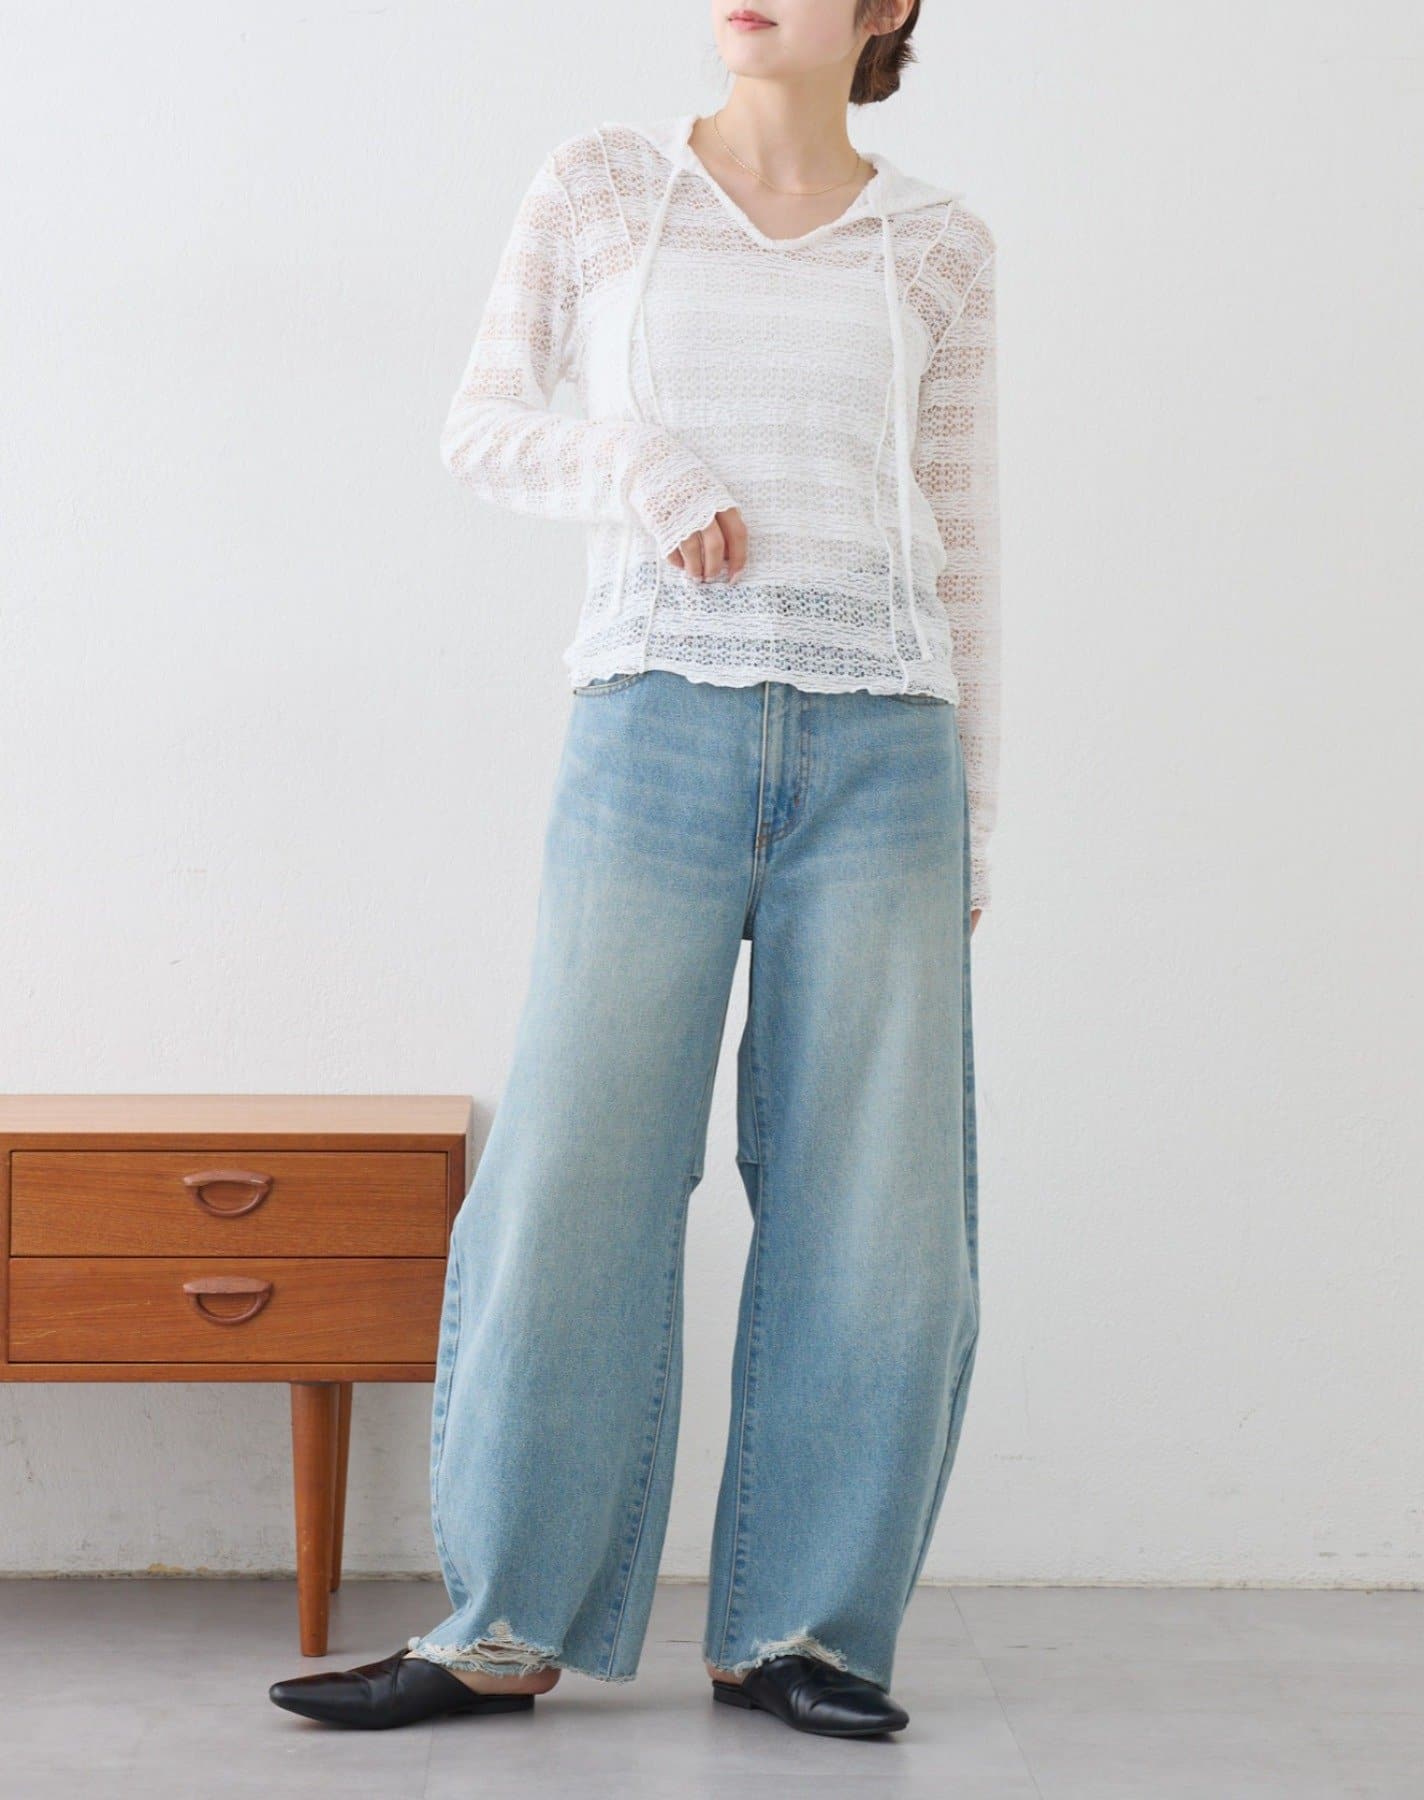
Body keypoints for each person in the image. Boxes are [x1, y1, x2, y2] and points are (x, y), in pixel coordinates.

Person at [269, 0, 997, 1741]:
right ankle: (503, 1627)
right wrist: (636, 463)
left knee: (880, 1208)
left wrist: (976, 816)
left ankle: (805, 1635)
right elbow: (483, 423)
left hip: (886, 741)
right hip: (652, 717)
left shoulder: (940, 245)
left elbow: (962, 533)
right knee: (573, 1176)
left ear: (889, 7)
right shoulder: (603, 187)